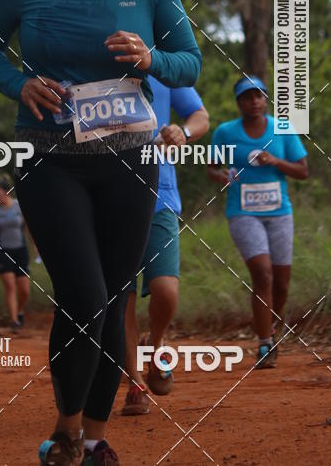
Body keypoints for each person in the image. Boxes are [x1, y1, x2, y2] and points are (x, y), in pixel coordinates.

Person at [0, 0, 201, 465]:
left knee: (116, 293)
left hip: (131, 157)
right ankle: (67, 430)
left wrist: (152, 61)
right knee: (85, 293)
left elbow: (190, 61)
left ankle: (93, 437)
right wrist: (19, 83)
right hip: (51, 157)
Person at [122, 76, 209, 415]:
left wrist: (183, 132)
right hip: (107, 201)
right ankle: (134, 383)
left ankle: (154, 347)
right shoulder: (93, 66)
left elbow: (200, 115)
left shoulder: (163, 68)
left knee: (166, 290)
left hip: (160, 196)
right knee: (122, 299)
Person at [207, 75, 308, 368]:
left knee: (282, 283)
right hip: (243, 212)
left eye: (259, 96)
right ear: (238, 102)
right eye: (248, 97)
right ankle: (264, 343)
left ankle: (270, 327)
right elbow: (212, 169)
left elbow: (303, 171)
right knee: (263, 274)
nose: (254, 101)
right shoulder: (225, 133)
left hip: (279, 213)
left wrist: (276, 162)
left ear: (266, 99)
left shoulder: (283, 129)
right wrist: (222, 176)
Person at [0, 178, 31, 331]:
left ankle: (20, 311)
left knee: (24, 290)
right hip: (1, 251)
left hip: (20, 250)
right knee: (10, 285)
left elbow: (29, 228)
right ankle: (14, 321)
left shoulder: (19, 206)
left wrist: (36, 245)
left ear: (6, 191)